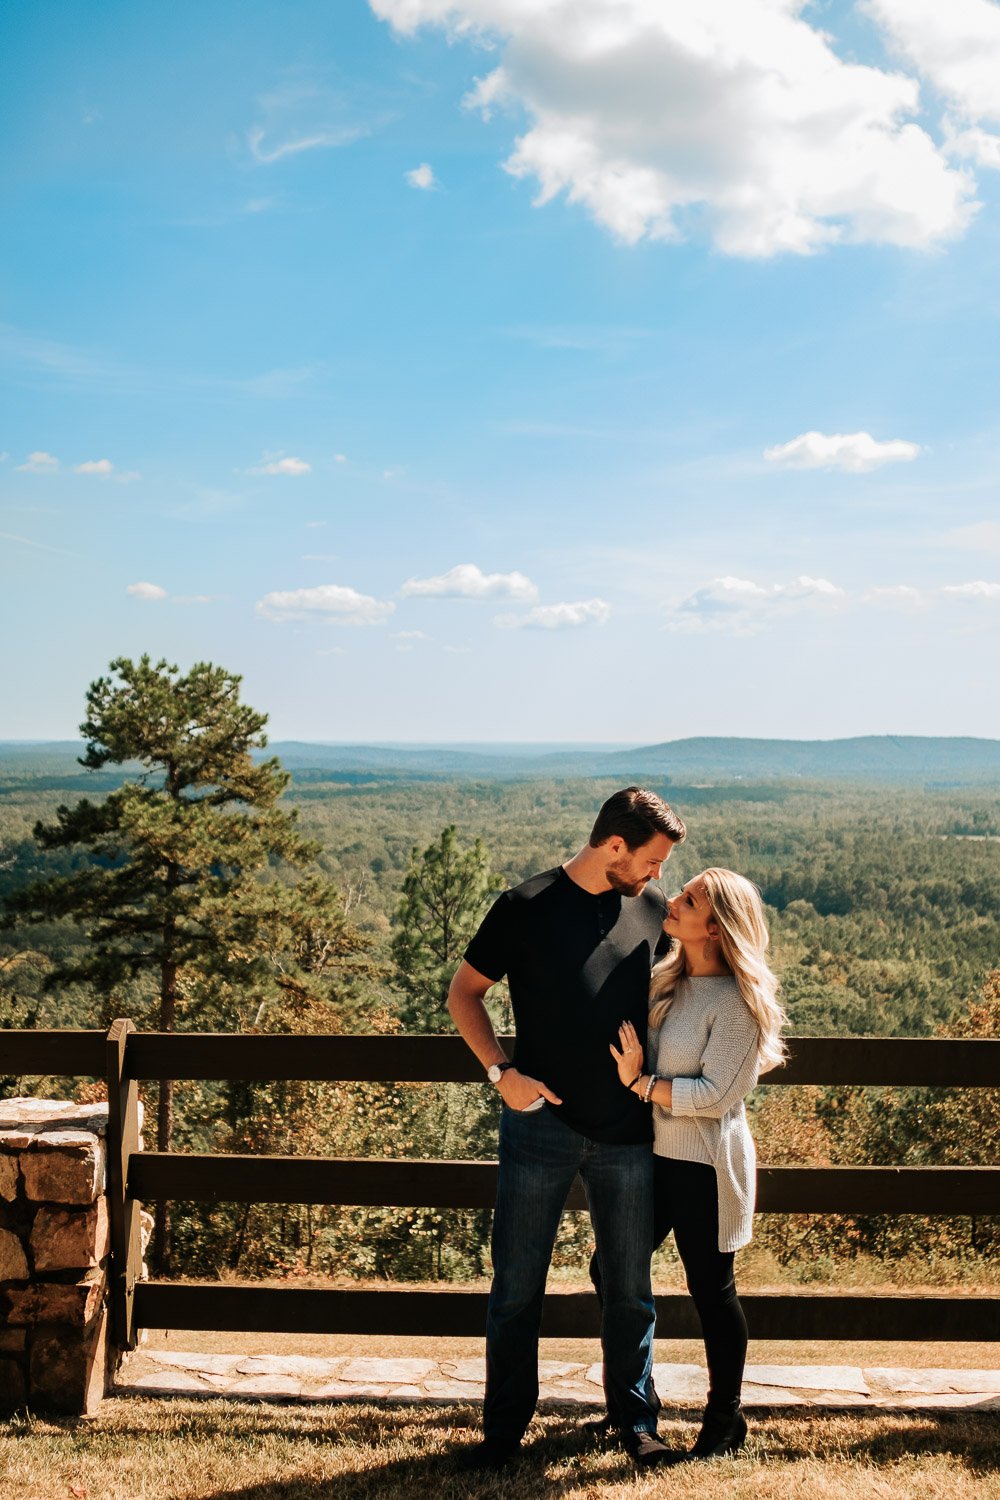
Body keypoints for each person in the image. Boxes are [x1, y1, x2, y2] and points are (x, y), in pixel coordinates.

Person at [447, 786, 687, 1470]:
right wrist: (500, 1071)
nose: (657, 875)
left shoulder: (651, 910)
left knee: (630, 1288)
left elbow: (688, 987)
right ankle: (502, 1435)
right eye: (652, 860)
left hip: (628, 1134)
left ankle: (637, 1422)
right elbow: (464, 993)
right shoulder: (525, 907)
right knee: (517, 1287)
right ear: (615, 846)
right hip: (539, 1127)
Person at [609, 866, 787, 1461]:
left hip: (704, 1167)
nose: (674, 901)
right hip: (653, 1157)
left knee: (711, 1291)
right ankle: (635, 1407)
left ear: (715, 927)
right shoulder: (669, 979)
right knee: (610, 1271)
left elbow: (715, 1096)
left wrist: (642, 1084)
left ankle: (724, 1418)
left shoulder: (738, 1004)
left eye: (689, 899)